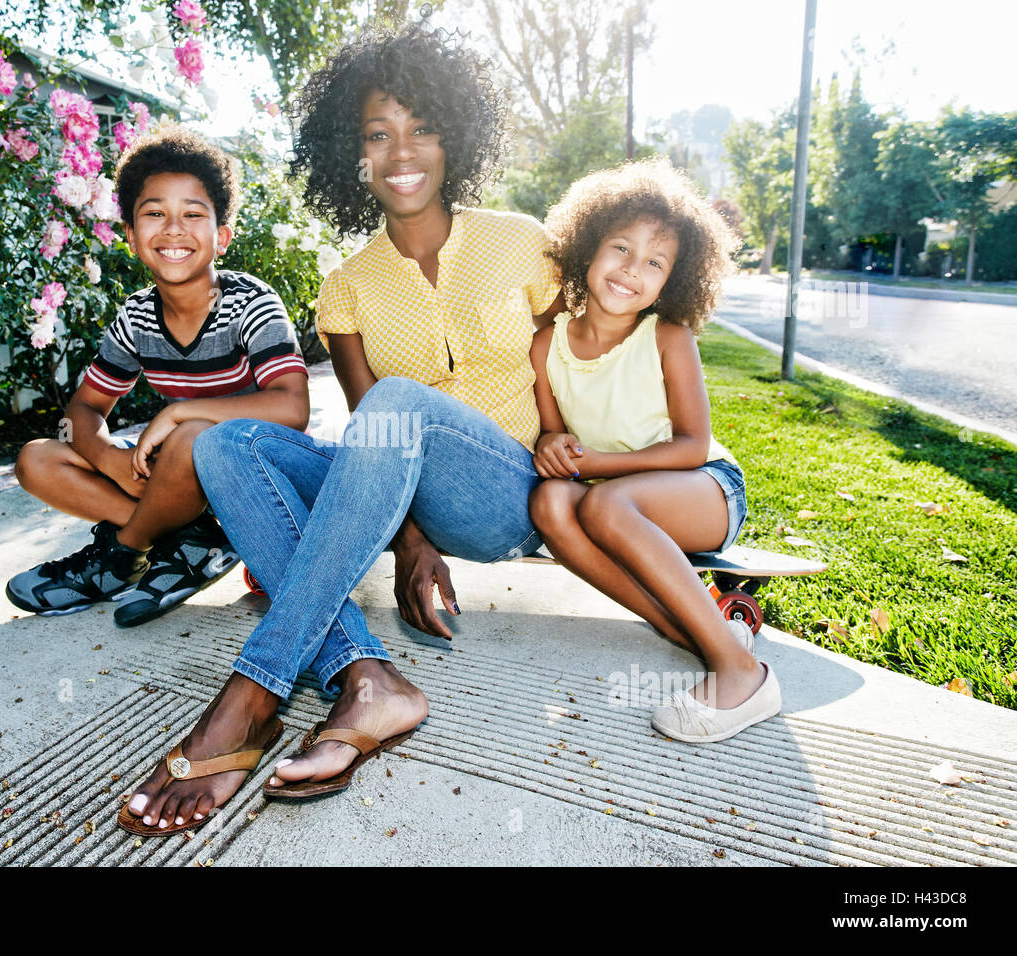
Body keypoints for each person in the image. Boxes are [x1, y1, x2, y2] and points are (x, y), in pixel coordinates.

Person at [116, 24, 564, 837]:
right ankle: (363, 673)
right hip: (401, 501)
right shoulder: (347, 285)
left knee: (396, 399)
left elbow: (583, 371)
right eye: (376, 133)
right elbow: (371, 436)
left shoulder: (526, 244)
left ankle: (252, 692)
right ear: (351, 154)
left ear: (455, 135)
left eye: (422, 126)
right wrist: (411, 540)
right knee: (226, 444)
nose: (402, 151)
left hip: (507, 493)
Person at [7, 125, 310, 627]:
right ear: (131, 236)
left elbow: (292, 407)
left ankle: (120, 556)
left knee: (192, 436)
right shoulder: (136, 318)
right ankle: (192, 543)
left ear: (222, 237)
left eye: (193, 214)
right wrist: (107, 458)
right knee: (37, 459)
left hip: (255, 479)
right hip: (175, 484)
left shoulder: (251, 303)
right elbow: (84, 408)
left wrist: (180, 411)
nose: (173, 228)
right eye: (154, 214)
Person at [528, 157, 779, 743]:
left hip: (707, 491)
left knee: (602, 505)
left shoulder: (667, 338)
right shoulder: (547, 344)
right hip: (615, 497)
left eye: (654, 262)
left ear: (674, 279)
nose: (631, 270)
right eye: (620, 248)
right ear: (587, 248)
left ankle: (741, 674)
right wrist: (553, 448)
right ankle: (684, 628)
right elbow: (550, 431)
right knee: (549, 505)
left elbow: (693, 446)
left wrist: (598, 466)